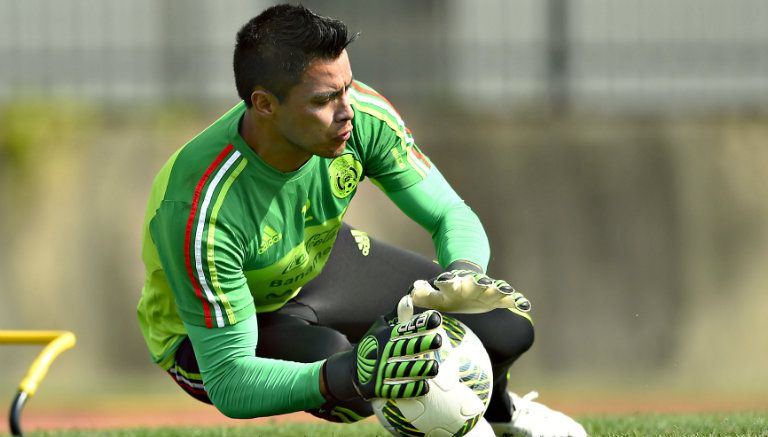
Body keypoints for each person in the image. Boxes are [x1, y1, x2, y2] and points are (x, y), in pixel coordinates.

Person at [136, 4, 586, 437]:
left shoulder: (360, 116)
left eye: (346, 87)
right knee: (345, 378)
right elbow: (230, 381)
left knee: (503, 325)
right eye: (324, 99)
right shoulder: (200, 208)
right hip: (206, 339)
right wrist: (351, 371)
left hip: (314, 266)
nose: (347, 109)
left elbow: (450, 213)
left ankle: (501, 411)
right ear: (265, 104)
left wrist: (462, 276)